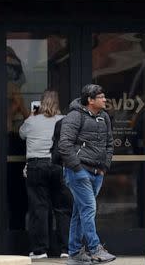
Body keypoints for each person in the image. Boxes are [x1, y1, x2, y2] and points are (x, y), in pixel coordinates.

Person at [58, 84, 116, 265]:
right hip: (79, 172)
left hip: (97, 172)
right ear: (90, 100)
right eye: (101, 97)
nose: (104, 99)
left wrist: (104, 166)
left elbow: (109, 143)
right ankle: (95, 248)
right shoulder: (74, 116)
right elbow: (64, 145)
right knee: (89, 208)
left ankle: (74, 252)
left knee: (80, 212)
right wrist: (77, 168)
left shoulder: (104, 117)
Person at [19, 90, 71, 260]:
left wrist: (32, 115)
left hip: (36, 166)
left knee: (38, 208)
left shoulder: (32, 120)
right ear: (58, 103)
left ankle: (40, 250)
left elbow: (21, 134)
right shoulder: (63, 120)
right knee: (62, 208)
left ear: (40, 103)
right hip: (57, 166)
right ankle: (66, 248)